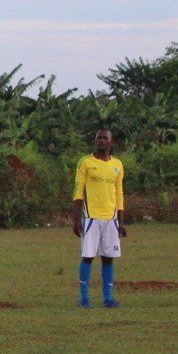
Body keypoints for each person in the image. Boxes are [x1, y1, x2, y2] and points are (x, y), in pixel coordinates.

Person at [73, 129, 126, 308]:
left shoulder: (117, 165)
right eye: (99, 138)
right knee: (88, 257)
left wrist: (121, 220)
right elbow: (78, 192)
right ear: (95, 140)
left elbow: (119, 193)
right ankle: (84, 299)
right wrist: (75, 219)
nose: (102, 141)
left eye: (105, 138)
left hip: (111, 219)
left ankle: (108, 298)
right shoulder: (85, 162)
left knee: (108, 258)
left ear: (111, 142)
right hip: (90, 218)